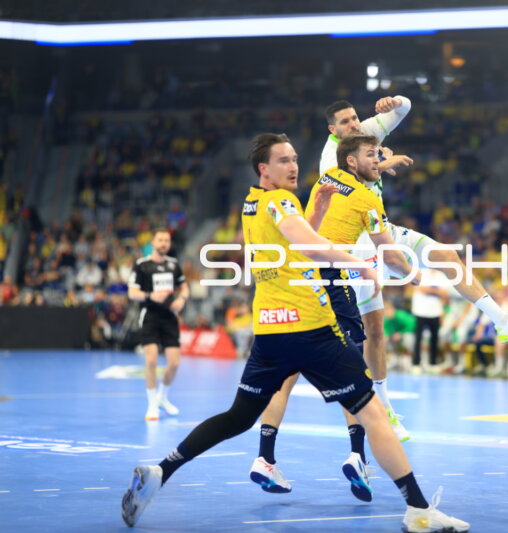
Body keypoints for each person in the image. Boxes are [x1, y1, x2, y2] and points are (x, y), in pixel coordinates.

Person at [121, 133, 469, 533]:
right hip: (311, 329)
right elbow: (312, 246)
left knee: (238, 416)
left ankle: (159, 471)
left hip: (270, 332)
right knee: (372, 412)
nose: (293, 166)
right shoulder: (282, 201)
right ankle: (419, 512)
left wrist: (317, 212)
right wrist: (358, 265)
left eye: (295, 159)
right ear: (263, 169)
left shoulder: (253, 203)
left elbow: (294, 244)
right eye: (283, 161)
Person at [320, 97, 508, 437]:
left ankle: (502, 319)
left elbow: (404, 111)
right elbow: (348, 185)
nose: (354, 124)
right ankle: (384, 412)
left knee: (447, 255)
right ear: (333, 129)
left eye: (354, 117)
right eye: (346, 122)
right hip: (359, 249)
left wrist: (396, 100)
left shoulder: (363, 133)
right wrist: (384, 161)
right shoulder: (330, 158)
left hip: (384, 230)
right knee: (374, 331)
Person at [250, 134, 421, 501]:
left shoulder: (325, 180)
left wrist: (383, 162)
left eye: (379, 156)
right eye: (371, 156)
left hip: (296, 279)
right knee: (353, 371)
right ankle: (359, 456)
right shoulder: (368, 198)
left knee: (286, 374)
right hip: (334, 276)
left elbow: (311, 224)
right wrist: (415, 274)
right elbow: (389, 255)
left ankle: (264, 458)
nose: (377, 160)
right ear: (353, 161)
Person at [127, 229, 188, 421]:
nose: (164, 243)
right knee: (151, 360)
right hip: (150, 316)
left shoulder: (173, 265)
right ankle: (152, 404)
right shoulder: (142, 265)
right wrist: (149, 296)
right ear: (153, 242)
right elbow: (132, 292)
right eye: (160, 240)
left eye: (167, 240)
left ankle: (162, 396)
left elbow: (184, 286)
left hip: (169, 317)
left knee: (174, 363)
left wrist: (182, 299)